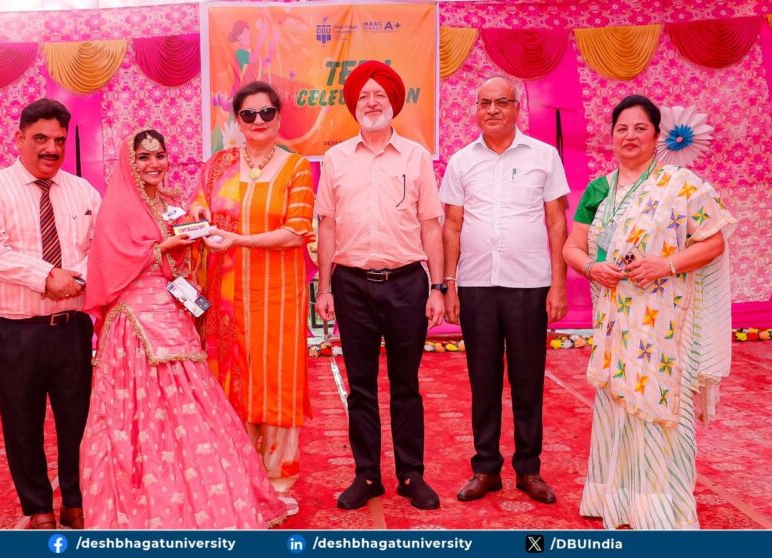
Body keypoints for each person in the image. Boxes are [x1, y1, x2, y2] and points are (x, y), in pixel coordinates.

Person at [79, 130, 286, 528]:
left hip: (174, 314)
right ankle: (151, 506)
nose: (153, 164)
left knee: (195, 402)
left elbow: (182, 262)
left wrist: (195, 234)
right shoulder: (118, 207)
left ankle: (209, 501)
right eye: (143, 157)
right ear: (130, 164)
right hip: (136, 321)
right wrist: (163, 248)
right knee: (141, 411)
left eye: (159, 155)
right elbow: (113, 264)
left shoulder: (172, 205)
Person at [562, 95, 735, 529]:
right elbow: (572, 247)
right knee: (616, 408)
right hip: (614, 324)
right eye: (622, 128)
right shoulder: (599, 190)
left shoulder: (681, 185)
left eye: (640, 128)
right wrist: (591, 268)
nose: (630, 136)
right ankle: (616, 499)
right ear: (611, 136)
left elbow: (714, 241)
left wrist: (666, 265)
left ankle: (658, 507)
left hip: (664, 325)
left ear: (657, 136)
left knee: (659, 407)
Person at [314, 61, 446, 511]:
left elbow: (431, 225)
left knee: (406, 384)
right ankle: (367, 474)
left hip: (407, 283)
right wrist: (325, 287)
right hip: (351, 285)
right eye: (364, 96)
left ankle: (411, 474)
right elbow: (327, 226)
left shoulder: (416, 157)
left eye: (380, 95)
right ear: (353, 105)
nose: (371, 102)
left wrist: (437, 288)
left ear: (394, 103)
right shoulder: (335, 159)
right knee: (361, 386)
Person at [0, 98, 101, 529]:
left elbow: (102, 249)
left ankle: (76, 503)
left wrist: (74, 279)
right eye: (40, 138)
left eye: (59, 140)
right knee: (22, 424)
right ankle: (39, 509)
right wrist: (46, 277)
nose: (51, 149)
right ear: (19, 138)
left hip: (71, 328)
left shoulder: (83, 191)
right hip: (15, 330)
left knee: (77, 422)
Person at [439, 76, 569, 505]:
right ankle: (486, 468)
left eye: (501, 102)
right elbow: (452, 226)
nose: (492, 109)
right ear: (475, 109)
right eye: (484, 103)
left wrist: (558, 284)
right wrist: (450, 285)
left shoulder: (544, 157)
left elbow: (556, 221)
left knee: (528, 380)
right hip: (476, 285)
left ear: (517, 108)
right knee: (483, 380)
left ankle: (529, 469)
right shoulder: (461, 161)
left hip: (528, 284)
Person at [190, 81, 315, 515]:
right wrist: (198, 213)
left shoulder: (296, 167)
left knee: (276, 379)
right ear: (238, 121)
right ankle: (238, 475)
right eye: (249, 114)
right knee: (231, 382)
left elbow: (297, 231)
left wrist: (239, 240)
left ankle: (278, 479)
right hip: (225, 298)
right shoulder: (218, 165)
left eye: (266, 113)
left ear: (279, 118)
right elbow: (198, 209)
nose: (258, 121)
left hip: (278, 297)